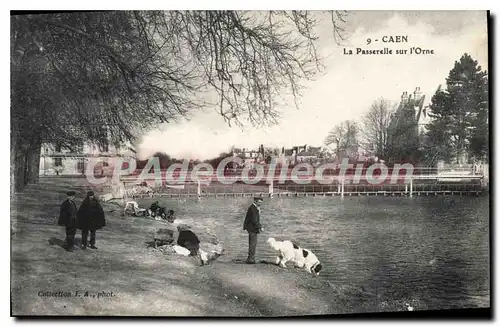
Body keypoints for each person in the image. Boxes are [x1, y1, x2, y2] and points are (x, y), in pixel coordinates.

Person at [243, 197, 264, 264]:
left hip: (251, 228)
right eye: (259, 202)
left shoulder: (253, 208)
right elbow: (255, 220)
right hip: (252, 228)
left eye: (261, 203)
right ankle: (251, 259)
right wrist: (260, 227)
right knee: (253, 243)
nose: (260, 204)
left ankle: (251, 258)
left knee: (252, 243)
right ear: (255, 201)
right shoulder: (253, 208)